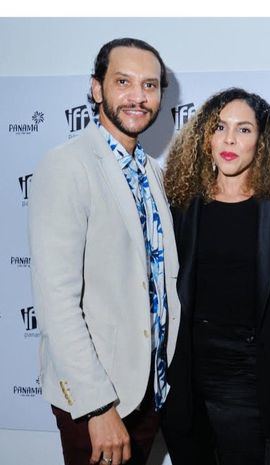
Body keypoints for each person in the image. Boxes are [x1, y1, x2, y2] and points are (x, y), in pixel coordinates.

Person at [28, 38, 181, 465]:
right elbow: (57, 302)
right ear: (97, 88)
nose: (138, 96)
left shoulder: (154, 172)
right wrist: (97, 407)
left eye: (150, 85)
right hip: (98, 401)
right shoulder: (68, 166)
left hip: (150, 390)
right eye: (123, 82)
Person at [161, 88, 270, 465]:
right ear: (204, 137)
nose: (229, 139)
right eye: (219, 127)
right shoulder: (179, 205)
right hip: (185, 370)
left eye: (244, 129)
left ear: (262, 141)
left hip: (249, 373)